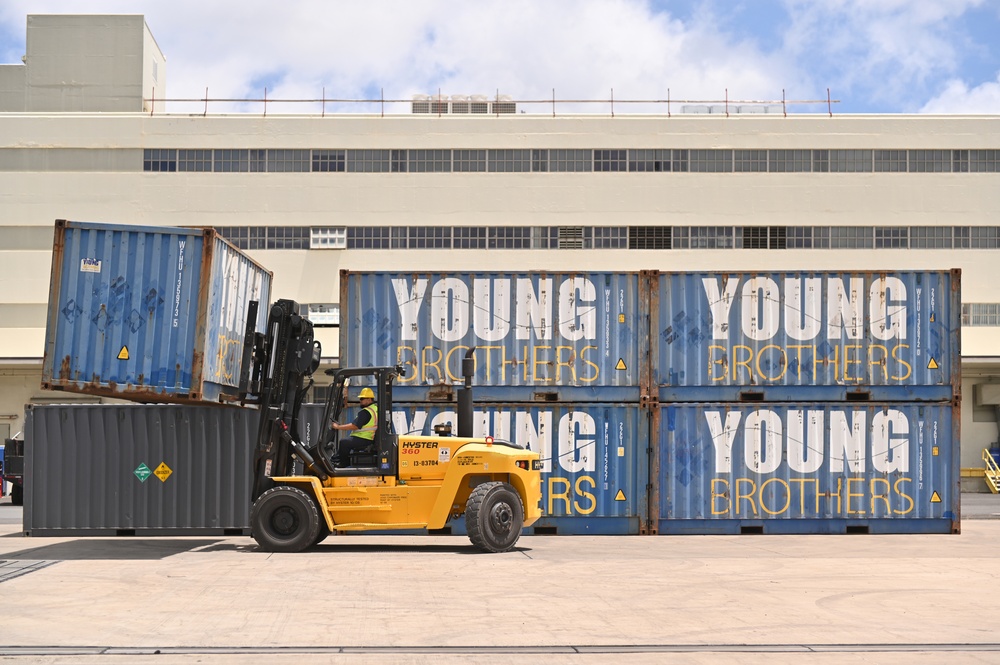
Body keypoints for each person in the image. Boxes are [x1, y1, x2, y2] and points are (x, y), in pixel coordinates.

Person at [331, 387, 378, 466]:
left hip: (365, 438)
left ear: (369, 400)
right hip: (369, 438)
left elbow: (354, 426)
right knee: (346, 442)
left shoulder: (366, 412)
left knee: (344, 442)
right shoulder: (375, 409)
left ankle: (343, 463)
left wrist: (338, 427)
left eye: (362, 399)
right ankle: (338, 459)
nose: (360, 401)